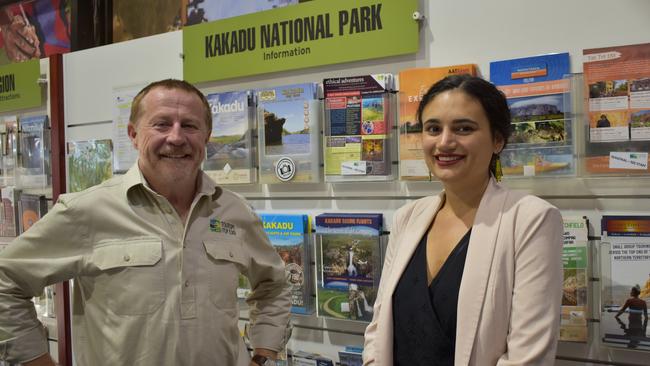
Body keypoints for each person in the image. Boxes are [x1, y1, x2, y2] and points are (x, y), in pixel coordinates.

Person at [0, 79, 291, 366]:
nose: (176, 138)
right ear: (134, 134)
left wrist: (263, 355)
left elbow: (274, 286)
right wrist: (35, 359)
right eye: (162, 124)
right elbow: (6, 280)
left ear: (207, 136)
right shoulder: (89, 210)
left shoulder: (234, 212)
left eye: (189, 125)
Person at [363, 75, 563, 365]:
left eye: (464, 128)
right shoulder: (408, 218)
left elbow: (528, 356)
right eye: (433, 128)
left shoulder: (531, 220)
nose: (445, 142)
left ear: (497, 139)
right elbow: (379, 328)